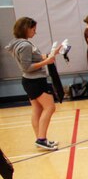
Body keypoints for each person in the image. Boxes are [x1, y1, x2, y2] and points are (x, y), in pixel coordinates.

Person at [5, 17, 61, 150]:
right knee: (50, 107)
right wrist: (46, 62)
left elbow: (33, 59)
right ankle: (41, 139)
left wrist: (51, 54)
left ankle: (40, 139)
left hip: (30, 81)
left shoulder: (20, 43)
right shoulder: (25, 45)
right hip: (35, 81)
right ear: (26, 28)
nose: (35, 32)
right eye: (33, 29)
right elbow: (27, 67)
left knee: (37, 109)